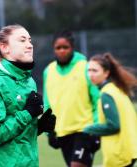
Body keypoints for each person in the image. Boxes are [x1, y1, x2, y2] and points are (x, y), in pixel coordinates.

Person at [0, 24, 56, 167]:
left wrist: (38, 127)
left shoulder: (29, 81)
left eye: (30, 40)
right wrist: (28, 113)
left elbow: (18, 136)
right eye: (22, 40)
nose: (29, 45)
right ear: (5, 48)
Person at [43, 30, 100, 167]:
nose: (62, 51)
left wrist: (97, 129)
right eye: (58, 48)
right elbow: (47, 103)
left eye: (65, 47)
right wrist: (48, 131)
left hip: (85, 130)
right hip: (62, 132)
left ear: (72, 48)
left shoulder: (85, 67)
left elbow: (97, 99)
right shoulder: (48, 71)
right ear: (53, 49)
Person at [84, 53, 137, 167]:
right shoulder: (115, 89)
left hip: (120, 154)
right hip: (128, 151)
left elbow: (113, 125)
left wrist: (89, 128)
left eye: (95, 70)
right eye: (89, 70)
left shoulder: (107, 94)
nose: (90, 74)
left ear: (106, 73)